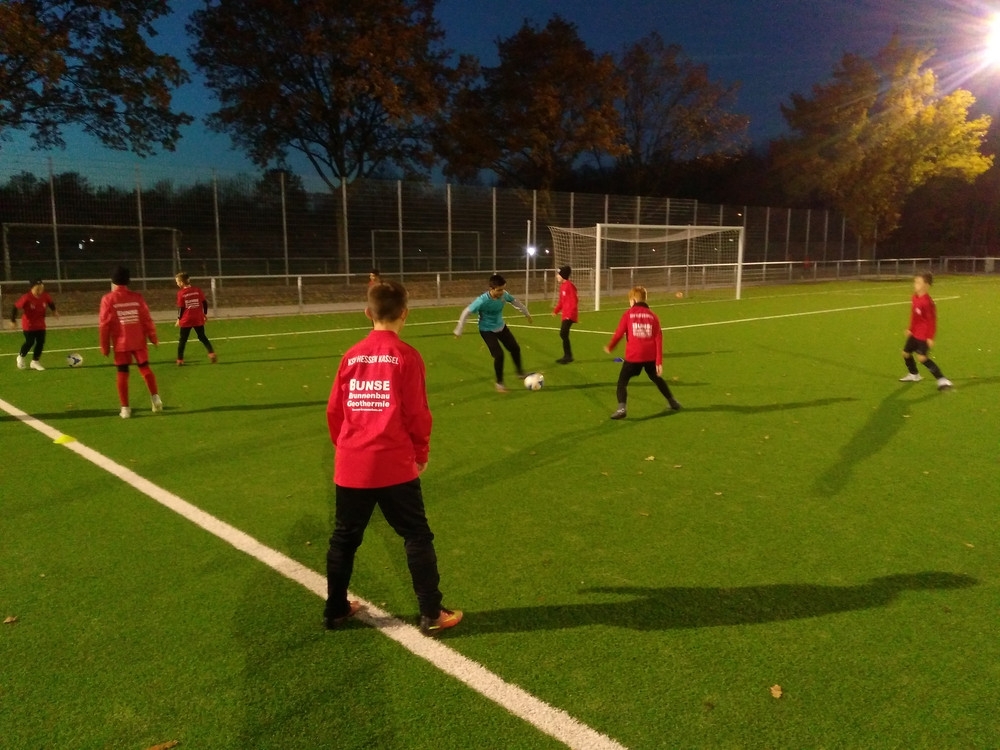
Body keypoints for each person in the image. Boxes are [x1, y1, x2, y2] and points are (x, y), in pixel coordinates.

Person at [325, 280, 461, 636]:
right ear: (405, 313)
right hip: (394, 464)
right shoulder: (406, 355)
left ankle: (335, 609)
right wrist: (421, 452)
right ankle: (431, 613)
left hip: (352, 463)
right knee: (416, 535)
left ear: (367, 313)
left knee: (344, 538)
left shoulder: (351, 355)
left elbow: (334, 411)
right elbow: (417, 413)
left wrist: (347, 449)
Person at [604, 286, 681, 419]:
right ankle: (672, 401)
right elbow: (658, 339)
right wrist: (659, 362)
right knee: (657, 378)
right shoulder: (653, 316)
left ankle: (621, 408)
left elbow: (618, 334)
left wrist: (610, 347)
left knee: (622, 382)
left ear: (633, 300)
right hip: (650, 356)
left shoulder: (628, 314)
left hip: (633, 356)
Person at [98, 266, 163, 418]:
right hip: (138, 340)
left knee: (122, 373)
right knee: (145, 369)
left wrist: (105, 347)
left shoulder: (108, 299)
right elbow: (146, 319)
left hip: (121, 343)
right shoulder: (137, 297)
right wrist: (153, 337)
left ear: (113, 281)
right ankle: (155, 398)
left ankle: (125, 408)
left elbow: (104, 325)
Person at [454, 273, 533, 392]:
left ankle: (520, 373)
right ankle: (499, 383)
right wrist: (459, 330)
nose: (502, 292)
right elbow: (466, 312)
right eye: (499, 290)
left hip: (501, 327)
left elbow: (515, 301)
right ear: (491, 289)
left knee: (515, 348)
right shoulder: (482, 301)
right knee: (499, 355)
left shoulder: (504, 295)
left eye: (503, 289)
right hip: (487, 330)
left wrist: (526, 313)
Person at [899, 272, 953, 390]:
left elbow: (932, 320)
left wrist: (930, 337)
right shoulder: (914, 297)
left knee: (922, 358)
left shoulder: (927, 302)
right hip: (915, 333)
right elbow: (914, 315)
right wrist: (910, 329)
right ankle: (914, 374)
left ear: (926, 285)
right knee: (905, 353)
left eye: (918, 282)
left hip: (923, 335)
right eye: (915, 282)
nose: (915, 284)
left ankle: (942, 380)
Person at [10, 279, 58, 371]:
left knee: (41, 342)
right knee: (30, 342)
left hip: (40, 325)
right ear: (32, 288)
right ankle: (21, 356)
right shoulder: (27, 297)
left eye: (42, 287)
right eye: (38, 288)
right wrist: (13, 320)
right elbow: (15, 307)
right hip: (29, 325)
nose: (40, 289)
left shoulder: (45, 296)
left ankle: (35, 362)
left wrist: (54, 311)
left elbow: (50, 303)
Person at [174, 272, 217, 365]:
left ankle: (180, 360)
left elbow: (181, 308)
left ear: (181, 282)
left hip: (186, 319)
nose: (177, 283)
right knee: (202, 337)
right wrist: (204, 314)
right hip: (197, 317)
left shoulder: (181, 293)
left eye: (177, 282)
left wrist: (178, 319)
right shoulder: (197, 290)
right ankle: (212, 353)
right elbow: (204, 303)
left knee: (182, 340)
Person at [552, 265, 578, 364]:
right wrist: (556, 311)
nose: (556, 276)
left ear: (563, 275)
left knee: (563, 333)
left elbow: (574, 300)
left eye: (558, 274)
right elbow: (561, 302)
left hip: (569, 315)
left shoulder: (569, 286)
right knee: (564, 334)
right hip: (566, 314)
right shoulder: (562, 286)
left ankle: (568, 356)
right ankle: (568, 356)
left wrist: (570, 313)